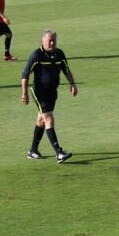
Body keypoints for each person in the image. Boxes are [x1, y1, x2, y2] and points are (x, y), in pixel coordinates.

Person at [21, 30, 77, 163]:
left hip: (53, 92)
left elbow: (66, 70)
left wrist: (73, 84)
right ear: (42, 41)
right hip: (39, 91)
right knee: (49, 118)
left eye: (54, 41)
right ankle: (59, 152)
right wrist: (24, 94)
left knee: (41, 120)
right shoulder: (37, 55)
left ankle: (33, 151)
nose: (52, 43)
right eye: (49, 41)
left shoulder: (59, 54)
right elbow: (25, 75)